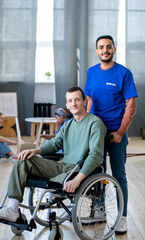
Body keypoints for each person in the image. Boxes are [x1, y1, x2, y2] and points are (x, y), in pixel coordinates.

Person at [0, 86, 107, 222]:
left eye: (77, 100)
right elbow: (54, 144)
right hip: (63, 167)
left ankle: (12, 210)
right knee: (23, 158)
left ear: (84, 102)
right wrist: (34, 151)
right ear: (67, 105)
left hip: (77, 171)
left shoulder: (95, 123)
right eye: (70, 101)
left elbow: (96, 155)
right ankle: (13, 209)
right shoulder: (68, 125)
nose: (73, 103)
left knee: (29, 160)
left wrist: (77, 179)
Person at [84, 35, 138, 235]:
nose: (104, 50)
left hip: (116, 133)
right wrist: (86, 127)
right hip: (96, 133)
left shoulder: (124, 73)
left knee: (119, 175)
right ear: (96, 51)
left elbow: (130, 106)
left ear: (114, 49)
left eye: (108, 47)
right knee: (97, 172)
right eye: (100, 47)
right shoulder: (91, 72)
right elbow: (89, 101)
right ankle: (99, 210)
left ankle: (122, 218)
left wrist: (120, 132)